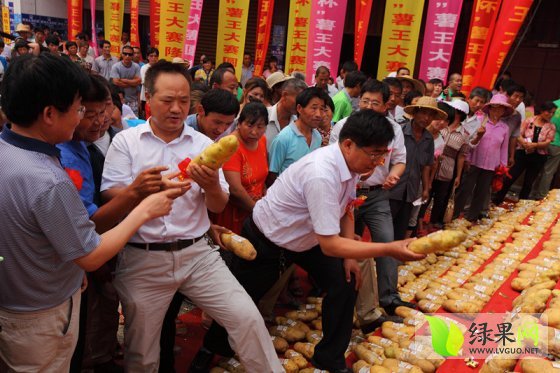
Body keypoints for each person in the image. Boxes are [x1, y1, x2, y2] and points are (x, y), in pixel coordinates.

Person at [193, 110, 426, 373]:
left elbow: (347, 208)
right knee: (241, 302)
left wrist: (350, 258)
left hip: (307, 239)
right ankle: (210, 350)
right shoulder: (321, 173)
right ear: (348, 144)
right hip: (268, 239)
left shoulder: (353, 165)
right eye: (374, 154)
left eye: (382, 154)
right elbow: (330, 245)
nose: (378, 161)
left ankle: (329, 357)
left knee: (344, 282)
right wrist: (390, 248)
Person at [0, 53, 180, 373]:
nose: (86, 117)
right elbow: (91, 254)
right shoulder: (49, 180)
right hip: (41, 316)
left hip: (16, 299)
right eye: (79, 109)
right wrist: (143, 210)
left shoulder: (8, 149)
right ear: (50, 114)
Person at [101, 60, 281, 372]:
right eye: (167, 100)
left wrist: (211, 184)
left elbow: (217, 204)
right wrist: (140, 190)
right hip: (143, 259)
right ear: (148, 97)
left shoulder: (203, 144)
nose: (176, 108)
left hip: (198, 254)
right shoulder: (127, 142)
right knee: (142, 353)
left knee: (246, 318)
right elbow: (110, 195)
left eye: (183, 101)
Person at [330, 79, 408, 324]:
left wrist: (394, 175)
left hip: (376, 195)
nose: (369, 106)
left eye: (375, 103)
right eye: (365, 101)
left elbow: (400, 160)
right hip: (348, 195)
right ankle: (348, 300)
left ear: (386, 105)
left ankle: (389, 298)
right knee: (349, 248)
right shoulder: (343, 126)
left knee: (385, 241)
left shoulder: (393, 129)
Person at [389, 97, 445, 240]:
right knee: (386, 227)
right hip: (393, 187)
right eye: (423, 113)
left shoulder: (428, 139)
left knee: (401, 227)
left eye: (430, 115)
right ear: (415, 113)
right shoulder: (400, 131)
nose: (426, 118)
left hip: (412, 189)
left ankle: (393, 257)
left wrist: (426, 188)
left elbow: (426, 165)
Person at [453, 94, 511, 221]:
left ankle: (471, 219)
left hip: (491, 165)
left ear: (504, 111)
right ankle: (454, 216)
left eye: (501, 109)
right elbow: (469, 140)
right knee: (465, 190)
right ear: (489, 108)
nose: (497, 111)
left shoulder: (505, 128)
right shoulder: (479, 121)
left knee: (482, 193)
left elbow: (504, 148)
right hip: (473, 161)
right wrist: (467, 158)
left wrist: (503, 166)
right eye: (495, 108)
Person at [213, 102, 269, 234]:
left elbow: (262, 177)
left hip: (255, 210)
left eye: (260, 126)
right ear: (239, 124)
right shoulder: (231, 145)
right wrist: (258, 211)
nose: (254, 132)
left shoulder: (262, 141)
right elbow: (235, 190)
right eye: (249, 125)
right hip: (235, 214)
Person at [493, 101, 557, 204]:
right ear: (542, 111)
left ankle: (521, 205)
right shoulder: (529, 120)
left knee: (529, 182)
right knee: (511, 177)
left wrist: (535, 145)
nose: (551, 115)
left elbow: (547, 142)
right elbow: (519, 134)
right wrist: (524, 143)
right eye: (549, 112)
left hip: (538, 156)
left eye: (553, 113)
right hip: (523, 153)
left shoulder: (551, 127)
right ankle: (497, 199)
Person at [268, 87, 326, 180]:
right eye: (314, 108)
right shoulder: (284, 138)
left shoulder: (317, 137)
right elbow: (272, 174)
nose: (318, 114)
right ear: (299, 108)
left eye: (322, 109)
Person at [429, 100, 470, 228]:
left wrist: (458, 175)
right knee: (427, 193)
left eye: (456, 111)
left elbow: (461, 156)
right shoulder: (440, 125)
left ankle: (434, 221)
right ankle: (419, 220)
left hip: (448, 168)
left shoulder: (464, 134)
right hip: (431, 165)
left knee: (441, 198)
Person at [265, 77, 307, 150]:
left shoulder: (300, 123)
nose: (301, 105)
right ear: (285, 95)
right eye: (298, 100)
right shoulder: (263, 115)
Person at [532, 98, 560, 199]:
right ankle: (540, 196)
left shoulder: (555, 103)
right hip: (556, 143)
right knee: (548, 172)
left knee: (536, 168)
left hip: (542, 140)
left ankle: (531, 192)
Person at [110, 45, 141, 115]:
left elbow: (138, 81)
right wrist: (132, 82)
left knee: (134, 121)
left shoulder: (136, 66)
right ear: (122, 54)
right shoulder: (116, 66)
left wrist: (123, 80)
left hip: (133, 100)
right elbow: (116, 82)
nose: (127, 56)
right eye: (125, 54)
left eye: (130, 54)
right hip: (119, 101)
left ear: (132, 56)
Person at [140, 47, 159, 118]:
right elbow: (145, 83)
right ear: (147, 57)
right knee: (147, 118)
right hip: (146, 97)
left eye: (155, 56)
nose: (153, 58)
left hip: (156, 96)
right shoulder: (144, 68)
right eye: (151, 56)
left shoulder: (159, 68)